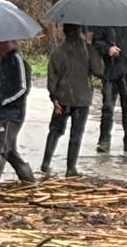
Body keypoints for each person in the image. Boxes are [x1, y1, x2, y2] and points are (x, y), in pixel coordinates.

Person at [42, 23, 104, 177]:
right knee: (76, 134)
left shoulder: (58, 51)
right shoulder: (88, 50)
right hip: (82, 99)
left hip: (62, 98)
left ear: (64, 32)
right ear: (80, 31)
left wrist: (54, 98)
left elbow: (52, 78)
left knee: (55, 130)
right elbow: (99, 71)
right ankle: (71, 169)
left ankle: (46, 163)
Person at [0, 39, 35, 188]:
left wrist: (5, 101)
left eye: (3, 43)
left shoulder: (18, 61)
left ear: (11, 44)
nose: (0, 46)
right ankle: (27, 177)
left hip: (12, 113)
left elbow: (23, 88)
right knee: (9, 149)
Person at [93, 23, 127, 154]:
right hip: (110, 74)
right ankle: (104, 140)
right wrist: (108, 49)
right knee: (107, 108)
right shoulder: (104, 23)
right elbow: (96, 44)